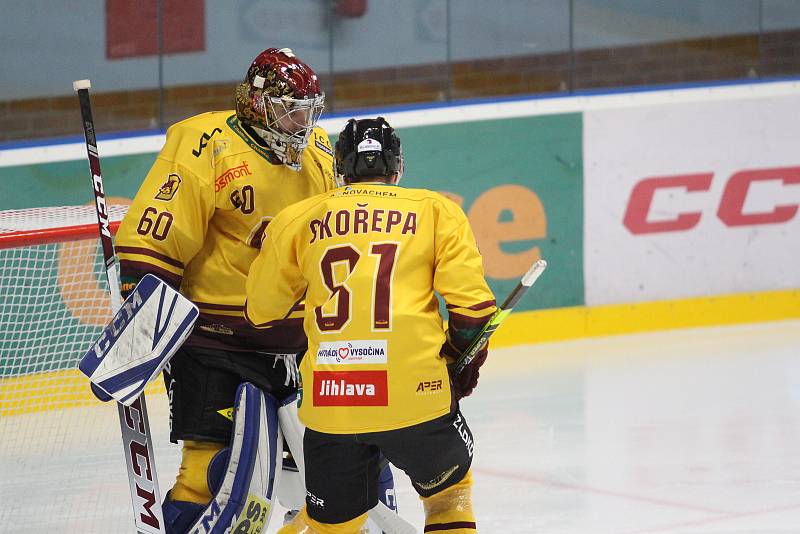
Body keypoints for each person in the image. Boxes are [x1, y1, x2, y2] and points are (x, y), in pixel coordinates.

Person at [114, 47, 341, 533]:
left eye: (309, 109)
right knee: (209, 472)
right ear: (260, 105)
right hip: (218, 344)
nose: (303, 122)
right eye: (290, 110)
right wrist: (141, 323)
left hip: (298, 348)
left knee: (322, 470)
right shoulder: (204, 142)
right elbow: (155, 237)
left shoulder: (319, 151)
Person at [245, 117, 497, 533]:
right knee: (448, 500)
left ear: (341, 168)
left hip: (333, 404)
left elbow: (261, 311)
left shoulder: (297, 218)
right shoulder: (436, 211)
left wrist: (271, 250)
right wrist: (458, 361)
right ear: (397, 167)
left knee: (330, 525)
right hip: (417, 396)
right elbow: (474, 312)